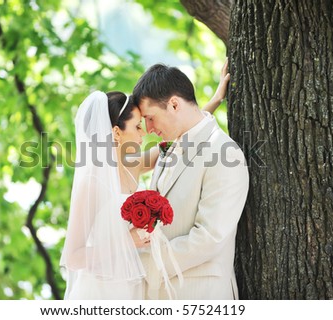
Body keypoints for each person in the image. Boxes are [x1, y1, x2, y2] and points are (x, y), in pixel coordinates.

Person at [60, 62, 230, 300]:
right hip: (100, 290)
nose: (145, 131)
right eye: (138, 126)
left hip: (134, 286)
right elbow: (73, 257)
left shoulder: (134, 165)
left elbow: (186, 135)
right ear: (117, 133)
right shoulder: (92, 182)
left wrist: (215, 99)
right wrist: (126, 241)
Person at [132, 59, 249, 300]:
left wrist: (136, 264)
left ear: (174, 104)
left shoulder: (224, 153)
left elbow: (209, 238)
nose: (148, 129)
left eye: (150, 118)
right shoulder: (168, 150)